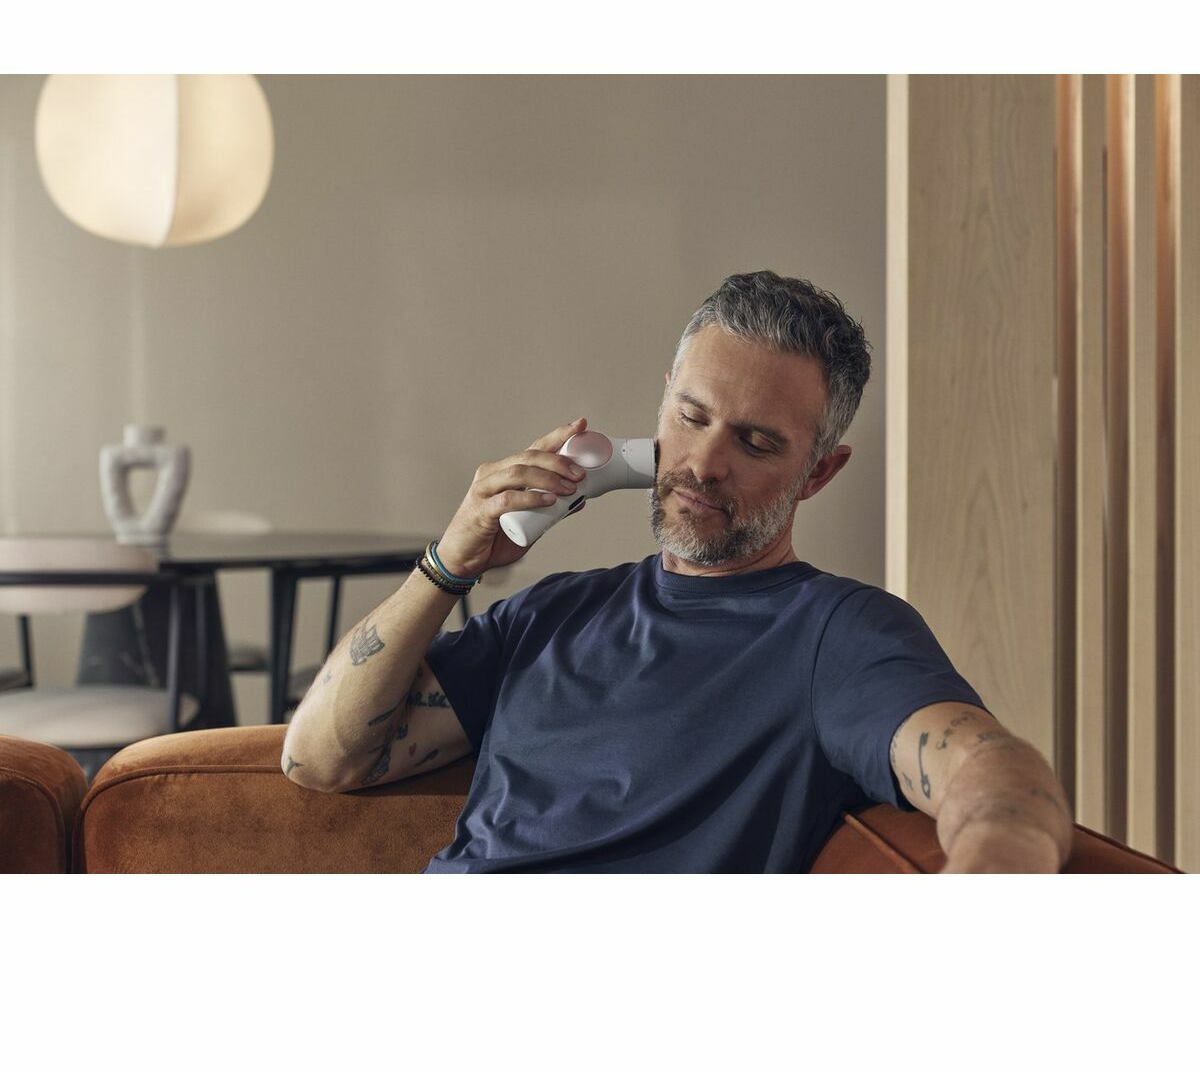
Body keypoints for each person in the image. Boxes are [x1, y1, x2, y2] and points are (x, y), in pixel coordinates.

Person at [282, 270, 1074, 873]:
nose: (703, 463)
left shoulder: (836, 635)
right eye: (691, 417)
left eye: (756, 442)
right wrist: (448, 564)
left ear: (820, 473)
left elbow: (991, 773)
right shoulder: (552, 614)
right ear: (663, 404)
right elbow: (316, 759)